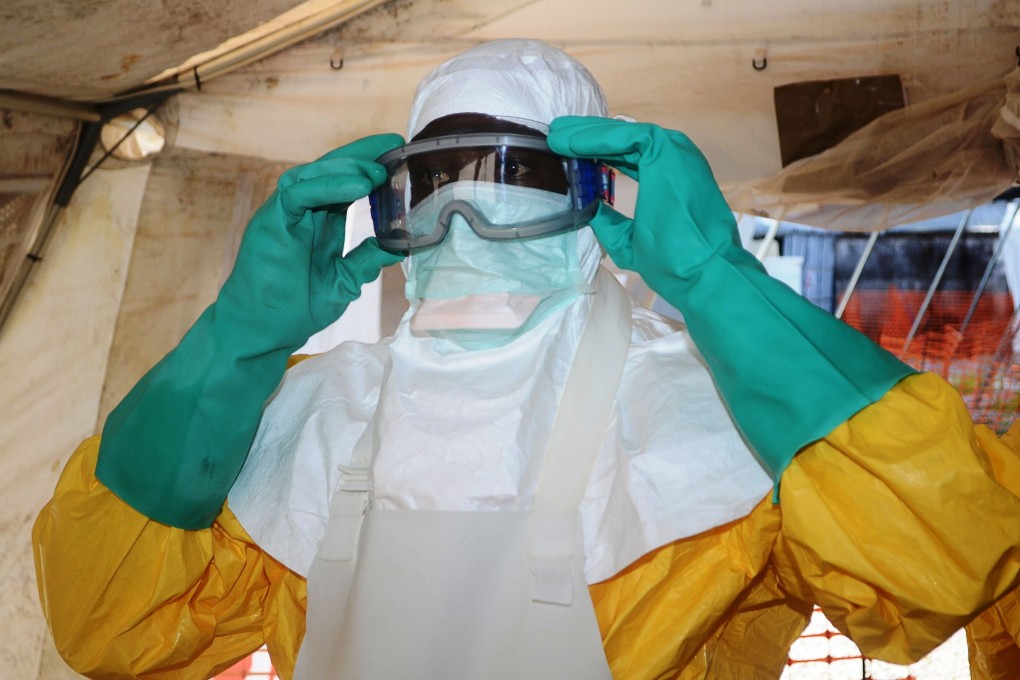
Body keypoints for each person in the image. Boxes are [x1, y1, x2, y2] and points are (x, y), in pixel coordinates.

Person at [32, 39, 1020, 679]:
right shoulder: (312, 411)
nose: (467, 223)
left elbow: (955, 558)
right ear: (394, 209)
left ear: (594, 196)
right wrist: (238, 335)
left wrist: (720, 285)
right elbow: (104, 614)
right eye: (434, 190)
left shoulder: (720, 410)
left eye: (510, 184)